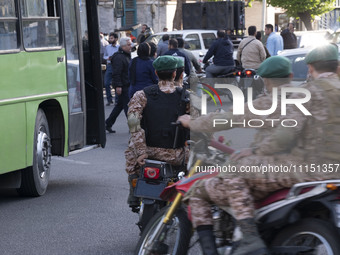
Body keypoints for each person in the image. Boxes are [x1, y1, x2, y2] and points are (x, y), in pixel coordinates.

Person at [178, 45, 340, 255]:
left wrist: (192, 123)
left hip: (305, 170)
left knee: (232, 169)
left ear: (309, 68)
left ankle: (249, 237)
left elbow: (284, 134)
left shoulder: (303, 95)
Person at [125, 56, 189, 211]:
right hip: (178, 156)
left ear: (155, 73)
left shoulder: (142, 95)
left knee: (131, 147)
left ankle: (134, 193)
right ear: (175, 74)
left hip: (149, 154)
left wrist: (141, 152)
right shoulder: (187, 96)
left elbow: (133, 123)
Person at [105, 37, 132, 133]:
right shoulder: (119, 57)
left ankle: (108, 123)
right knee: (128, 107)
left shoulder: (126, 55)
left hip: (126, 84)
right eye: (129, 45)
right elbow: (116, 73)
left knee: (120, 106)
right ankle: (133, 127)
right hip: (123, 85)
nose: (130, 46)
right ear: (123, 46)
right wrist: (118, 86)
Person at [103, 32, 119, 106]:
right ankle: (109, 99)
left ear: (116, 39)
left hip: (116, 66)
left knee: (116, 82)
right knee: (106, 83)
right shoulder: (107, 47)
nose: (110, 39)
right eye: (109, 38)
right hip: (109, 65)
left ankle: (117, 100)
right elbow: (104, 56)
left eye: (112, 38)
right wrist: (107, 58)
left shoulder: (119, 47)